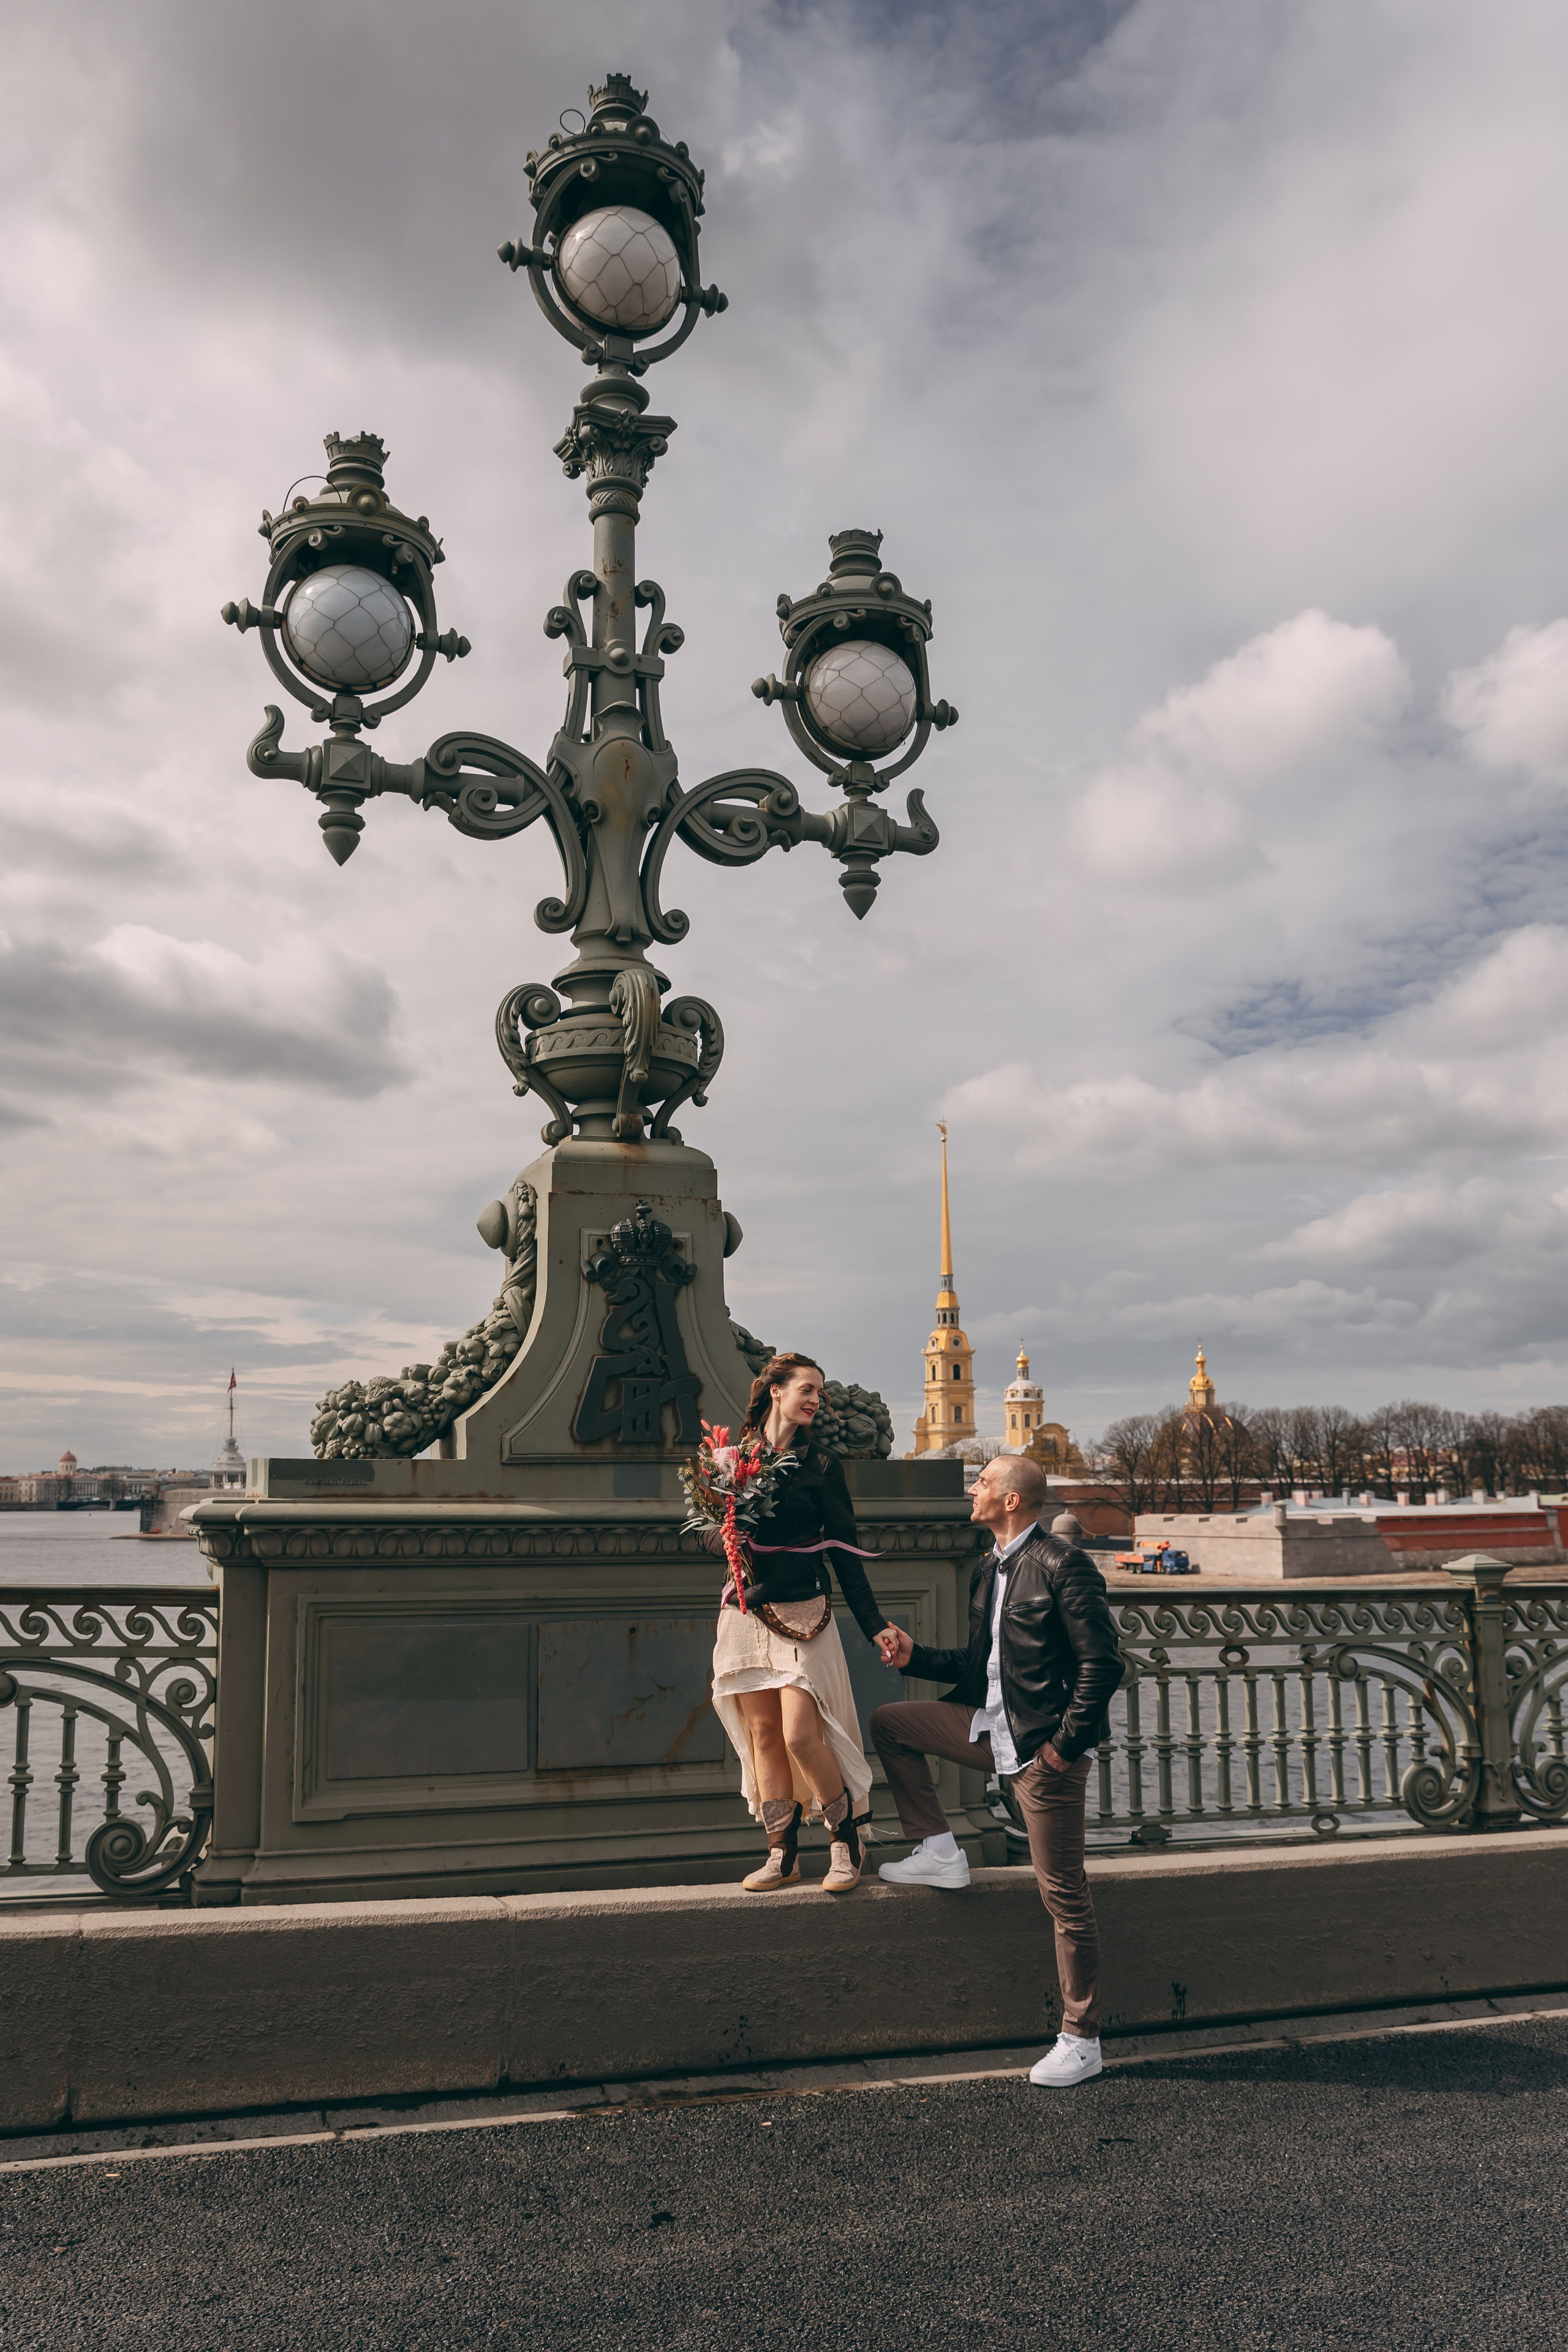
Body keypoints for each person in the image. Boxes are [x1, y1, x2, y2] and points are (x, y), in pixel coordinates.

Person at [870, 1453, 1125, 2087]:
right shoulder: (991, 1568)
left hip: (1042, 1750)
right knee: (891, 1725)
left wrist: (1063, 1748)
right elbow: (979, 1665)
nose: (973, 1489)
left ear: (1011, 1500)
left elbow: (1104, 1664)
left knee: (1063, 1894)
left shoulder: (1063, 1566)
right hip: (991, 1730)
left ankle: (1081, 2037)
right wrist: (914, 1656)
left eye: (982, 1482)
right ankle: (938, 1850)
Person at [708, 1352, 892, 1894]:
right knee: (762, 1733)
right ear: (774, 1391)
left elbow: (846, 1552)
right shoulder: (729, 1459)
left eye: (819, 1392)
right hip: (744, 1611)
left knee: (800, 1733)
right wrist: (726, 1531)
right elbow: (706, 1536)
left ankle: (846, 1840)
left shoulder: (823, 1466)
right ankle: (781, 1854)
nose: (815, 1399)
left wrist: (875, 1623)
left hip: (805, 1612)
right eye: (806, 1389)